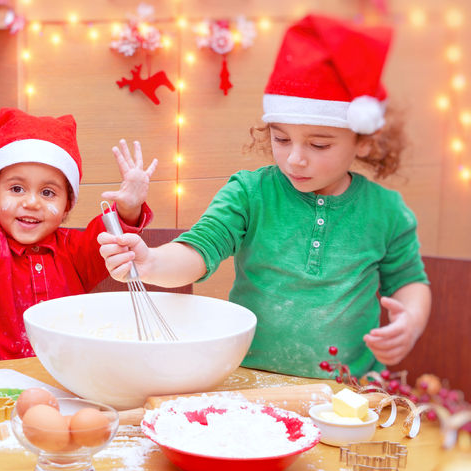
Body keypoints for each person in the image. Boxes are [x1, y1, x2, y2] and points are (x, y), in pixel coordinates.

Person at [98, 14, 431, 379]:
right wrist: (151, 262)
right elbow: (199, 248)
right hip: (248, 378)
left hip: (347, 390)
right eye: (281, 138)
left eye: (319, 144)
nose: (295, 158)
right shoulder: (248, 193)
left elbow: (410, 282)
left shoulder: (387, 212)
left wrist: (411, 321)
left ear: (364, 141)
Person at [0, 107, 157, 362]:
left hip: (67, 376)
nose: (32, 203)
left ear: (67, 205)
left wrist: (128, 207)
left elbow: (109, 240)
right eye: (17, 188)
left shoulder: (76, 250)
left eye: (48, 192)